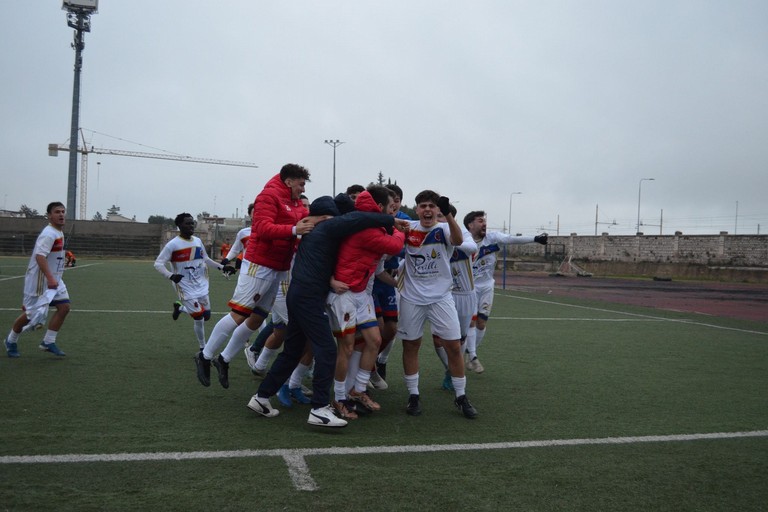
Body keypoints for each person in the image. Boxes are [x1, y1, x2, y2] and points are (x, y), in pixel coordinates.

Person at [247, 194, 408, 428]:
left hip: (300, 294)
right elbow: (358, 218)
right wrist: (391, 222)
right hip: (309, 297)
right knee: (327, 351)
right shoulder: (326, 227)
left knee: (292, 351)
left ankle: (261, 397)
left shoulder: (316, 233)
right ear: (326, 217)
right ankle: (320, 409)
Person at [195, 164, 317, 389]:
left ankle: (223, 359)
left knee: (258, 317)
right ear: (289, 181)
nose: (303, 188)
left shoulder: (296, 203)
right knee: (240, 314)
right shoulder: (268, 197)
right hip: (259, 265)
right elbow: (261, 229)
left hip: (279, 268)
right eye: (301, 183)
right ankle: (205, 356)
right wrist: (293, 231)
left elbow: (308, 223)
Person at [398, 190, 478, 419]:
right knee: (411, 346)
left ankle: (461, 396)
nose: (427, 210)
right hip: (411, 298)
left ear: (438, 210)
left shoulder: (444, 228)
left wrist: (449, 216)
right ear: (417, 208)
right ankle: (413, 395)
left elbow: (460, 241)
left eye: (432, 206)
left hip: (441, 298)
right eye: (423, 206)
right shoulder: (408, 227)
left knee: (453, 346)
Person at [328, 186, 405, 418]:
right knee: (347, 347)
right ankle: (339, 398)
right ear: (380, 208)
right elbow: (395, 246)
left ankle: (358, 390)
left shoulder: (376, 226)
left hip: (362, 294)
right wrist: (399, 229)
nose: (395, 211)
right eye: (391, 207)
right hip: (345, 295)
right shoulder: (365, 228)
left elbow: (381, 265)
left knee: (374, 339)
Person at [464, 211, 547, 373]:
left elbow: (511, 239)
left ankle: (470, 352)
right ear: (470, 225)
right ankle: (473, 356)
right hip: (470, 287)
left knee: (482, 323)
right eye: (480, 221)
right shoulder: (464, 240)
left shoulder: (493, 238)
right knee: (471, 322)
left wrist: (535, 239)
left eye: (485, 221)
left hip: (487, 286)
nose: (484, 224)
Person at [154, 213, 234, 350]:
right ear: (179, 226)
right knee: (199, 318)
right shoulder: (172, 245)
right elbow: (158, 264)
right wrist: (171, 276)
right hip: (185, 286)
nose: (191, 226)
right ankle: (203, 348)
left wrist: (222, 267)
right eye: (187, 223)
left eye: (192, 223)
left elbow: (206, 260)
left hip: (201, 284)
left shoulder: (197, 241)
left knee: (206, 315)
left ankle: (180, 308)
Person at [5, 202, 70, 358]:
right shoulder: (49, 233)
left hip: (54, 278)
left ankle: (48, 341)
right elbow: (40, 256)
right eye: (57, 212)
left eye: (63, 211)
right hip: (40, 280)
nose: (61, 214)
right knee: (31, 315)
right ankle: (11, 340)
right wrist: (50, 278)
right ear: (49, 215)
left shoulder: (58, 232)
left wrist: (64, 259)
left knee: (64, 307)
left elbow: (52, 254)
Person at [432, 204, 478, 391]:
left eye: (442, 216)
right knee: (437, 339)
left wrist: (452, 241)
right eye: (437, 216)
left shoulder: (462, 235)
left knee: (459, 340)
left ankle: (454, 372)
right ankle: (451, 370)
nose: (439, 220)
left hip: (465, 295)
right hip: (443, 295)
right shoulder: (432, 237)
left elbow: (472, 246)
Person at [371, 183, 411, 385]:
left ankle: (375, 362)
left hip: (388, 278)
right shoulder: (374, 221)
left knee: (391, 329)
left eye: (397, 200)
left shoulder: (404, 221)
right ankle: (366, 368)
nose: (393, 204)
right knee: (374, 329)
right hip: (370, 279)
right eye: (390, 200)